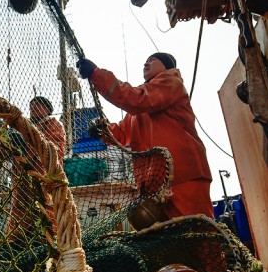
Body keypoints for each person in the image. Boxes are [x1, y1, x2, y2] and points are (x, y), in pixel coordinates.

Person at [76, 53, 214, 218]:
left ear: (167, 67)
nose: (146, 63)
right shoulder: (140, 108)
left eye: (152, 60)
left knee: (196, 233)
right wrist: (103, 129)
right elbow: (120, 134)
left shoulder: (170, 82)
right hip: (154, 185)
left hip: (182, 177)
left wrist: (96, 75)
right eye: (146, 61)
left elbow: (135, 100)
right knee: (169, 239)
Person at [0, 96, 66, 241]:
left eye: (38, 105)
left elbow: (56, 150)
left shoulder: (53, 125)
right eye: (31, 105)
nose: (33, 108)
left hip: (43, 178)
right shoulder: (22, 127)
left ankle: (50, 239)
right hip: (21, 181)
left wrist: (27, 142)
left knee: (45, 208)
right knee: (19, 211)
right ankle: (15, 242)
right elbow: (4, 150)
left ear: (47, 109)